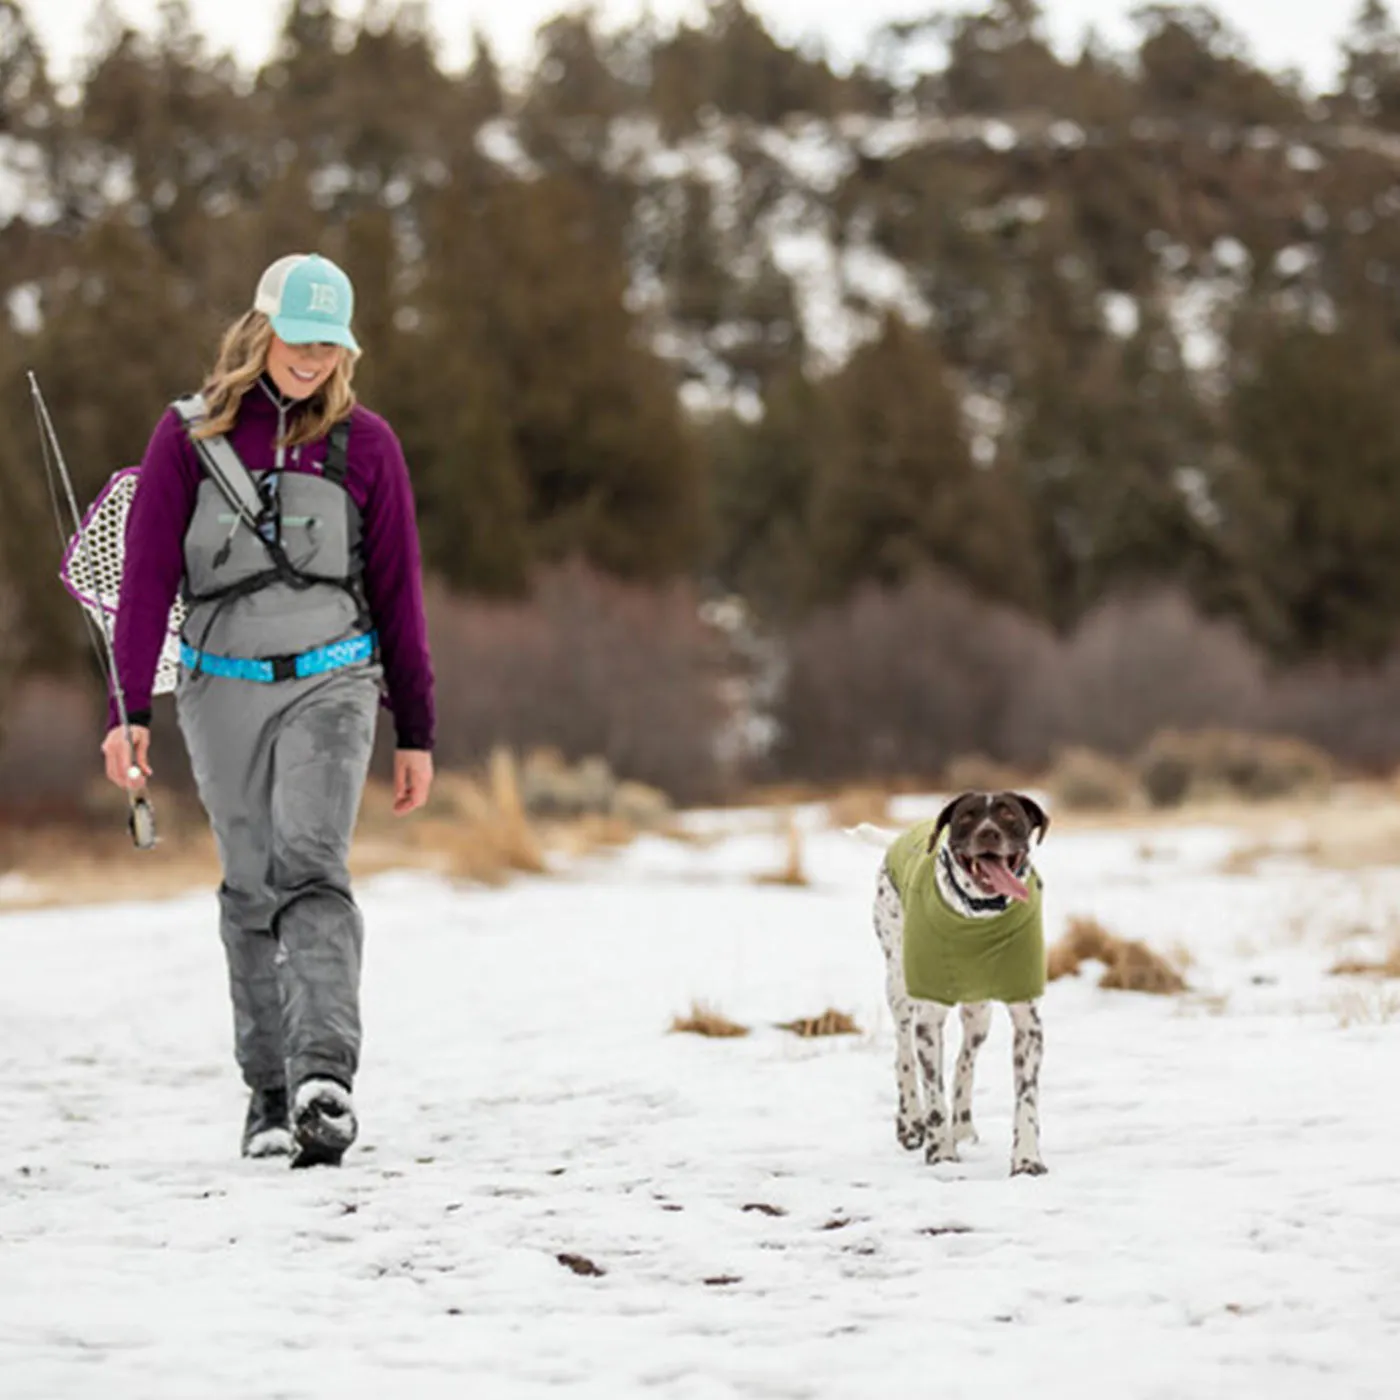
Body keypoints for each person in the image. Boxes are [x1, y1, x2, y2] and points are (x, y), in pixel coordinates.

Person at [101, 252, 435, 1168]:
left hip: (334, 683)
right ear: (261, 330)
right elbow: (146, 584)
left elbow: (400, 594)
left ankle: (325, 1075)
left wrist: (417, 728)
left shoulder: (370, 446)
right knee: (251, 887)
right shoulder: (186, 438)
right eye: (300, 337)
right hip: (218, 692)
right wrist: (130, 707)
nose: (313, 356)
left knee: (311, 867)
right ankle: (271, 1093)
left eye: (331, 342)